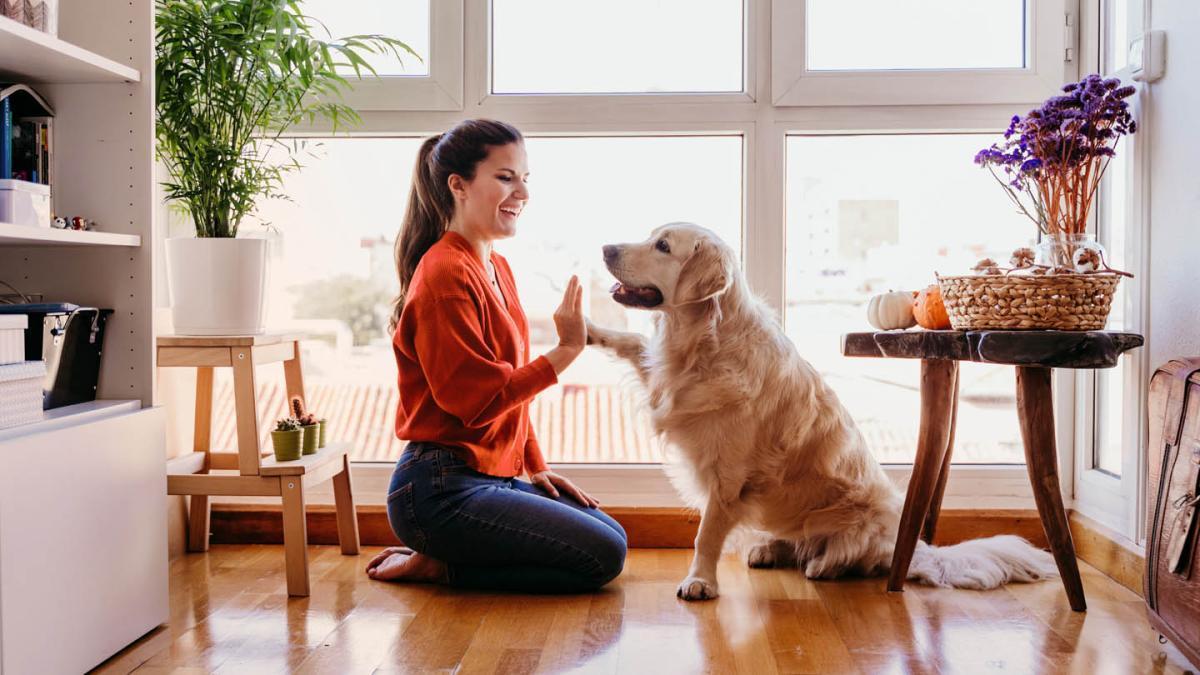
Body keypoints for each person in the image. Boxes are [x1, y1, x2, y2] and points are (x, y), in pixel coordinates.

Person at [366, 119, 627, 592]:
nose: (522, 192)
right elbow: (477, 402)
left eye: (526, 178)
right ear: (459, 186)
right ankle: (440, 565)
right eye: (506, 177)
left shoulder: (495, 266)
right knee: (602, 557)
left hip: (489, 475)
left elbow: (509, 394)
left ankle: (446, 558)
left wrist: (535, 464)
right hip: (438, 489)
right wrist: (567, 350)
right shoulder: (444, 275)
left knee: (612, 535)